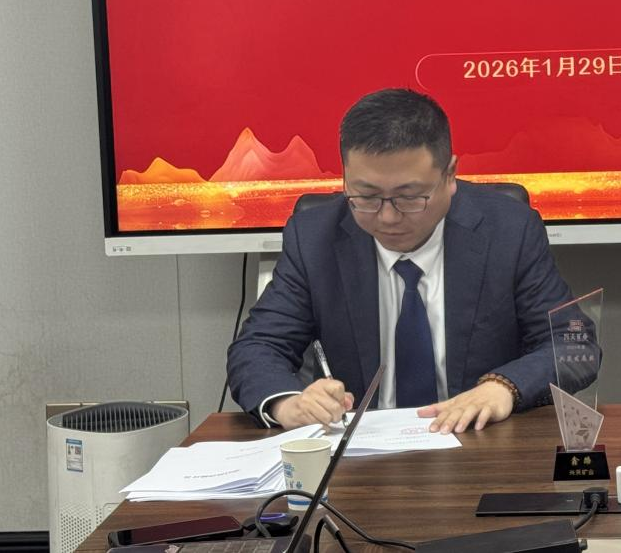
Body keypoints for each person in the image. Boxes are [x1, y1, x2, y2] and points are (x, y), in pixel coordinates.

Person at [228, 88, 584, 434]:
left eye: (410, 197)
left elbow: (572, 342)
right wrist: (288, 404)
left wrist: (503, 387)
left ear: (450, 176)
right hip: (359, 452)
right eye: (366, 196)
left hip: (478, 443)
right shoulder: (314, 238)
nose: (387, 217)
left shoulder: (509, 230)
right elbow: (259, 346)